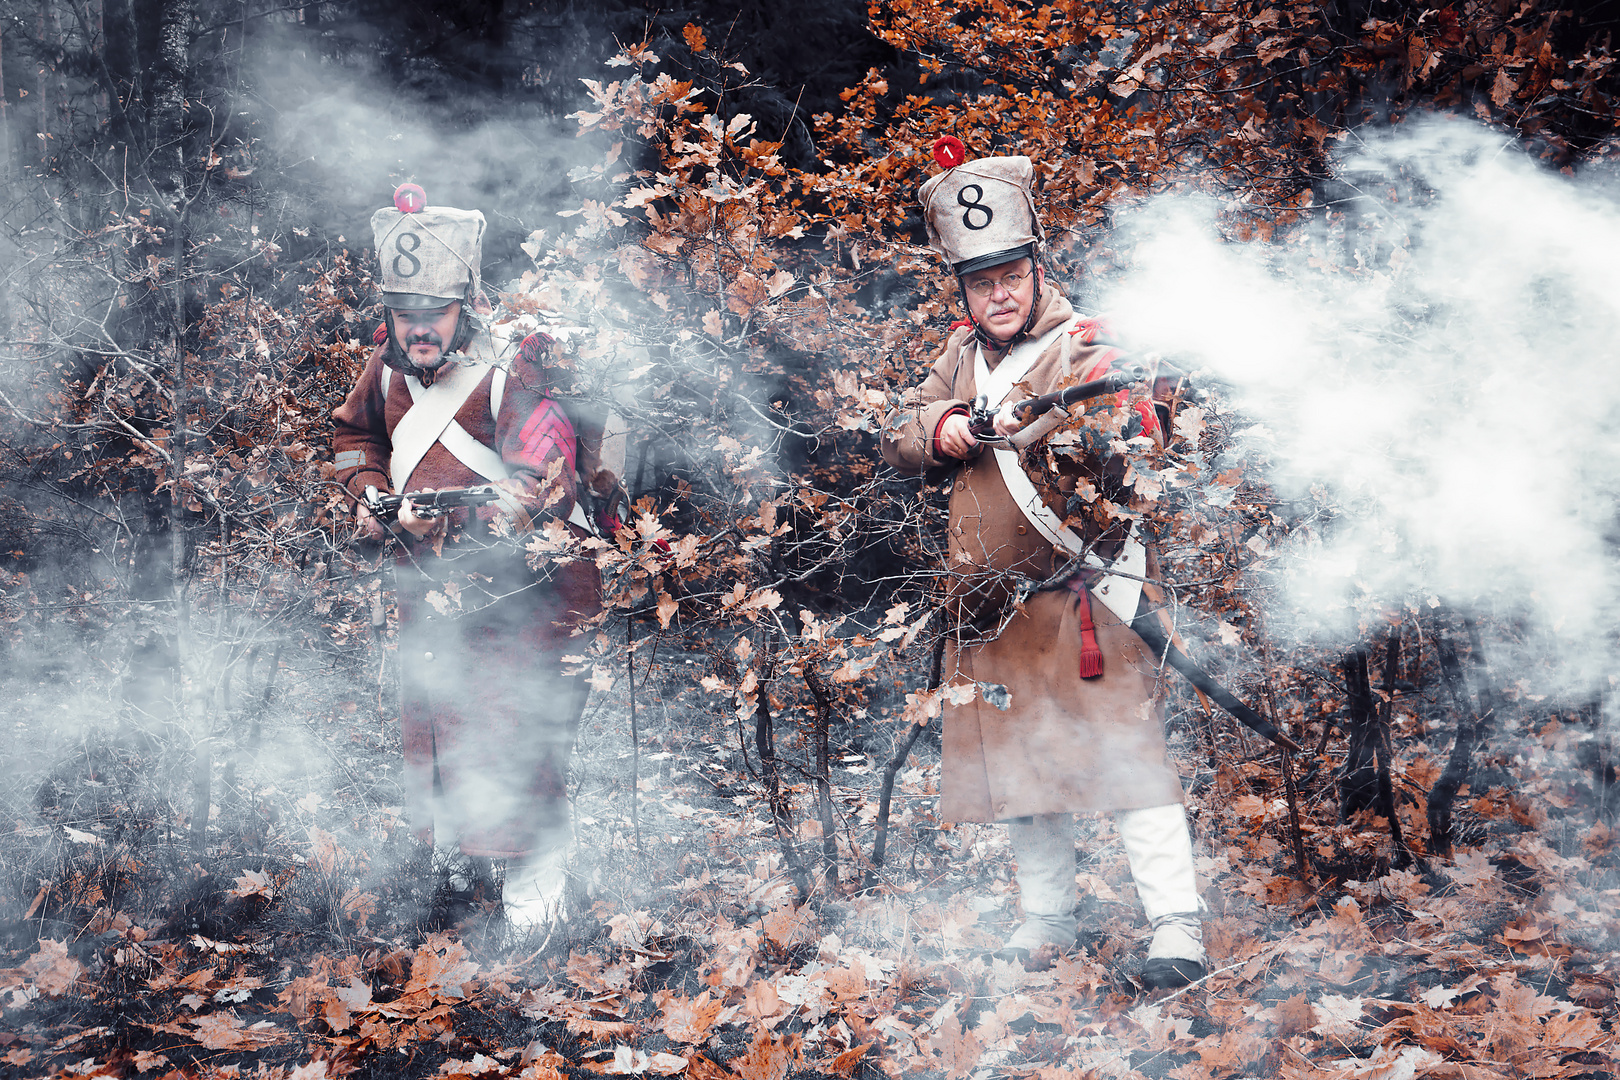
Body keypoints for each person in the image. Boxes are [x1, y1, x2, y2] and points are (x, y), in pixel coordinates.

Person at [879, 140, 1206, 989]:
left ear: (1035, 266)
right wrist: (947, 426)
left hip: (1085, 595)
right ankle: (1047, 919)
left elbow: (1140, 436)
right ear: (963, 288)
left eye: (1010, 276)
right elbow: (903, 432)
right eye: (981, 281)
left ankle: (1176, 930)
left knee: (1134, 767)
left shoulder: (1088, 344)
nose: (998, 294)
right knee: (1021, 770)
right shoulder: (958, 357)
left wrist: (1077, 424)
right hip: (992, 606)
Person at [331, 184, 602, 931]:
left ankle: (537, 873)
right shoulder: (383, 370)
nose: (419, 331)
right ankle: (457, 857)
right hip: (430, 589)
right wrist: (371, 494)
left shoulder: (514, 368)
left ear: (465, 306)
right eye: (406, 315)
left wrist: (448, 526)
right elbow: (355, 440)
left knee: (516, 719)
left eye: (435, 314)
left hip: (530, 591)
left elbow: (546, 484)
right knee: (437, 713)